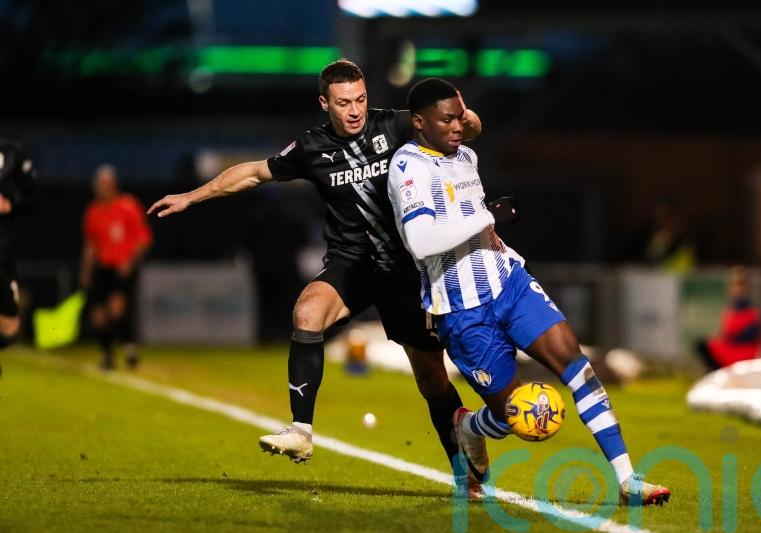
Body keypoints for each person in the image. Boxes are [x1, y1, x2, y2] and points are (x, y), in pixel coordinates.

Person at [148, 59, 491, 498]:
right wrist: (191, 197)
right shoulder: (312, 147)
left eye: (361, 99)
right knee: (307, 313)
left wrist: (465, 118)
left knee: (432, 381)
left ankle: (468, 473)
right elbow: (253, 172)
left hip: (405, 270)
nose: (355, 110)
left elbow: (458, 127)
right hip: (352, 264)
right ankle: (301, 430)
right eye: (344, 103)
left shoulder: (396, 125)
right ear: (325, 103)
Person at [387, 78, 671, 506]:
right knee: (513, 418)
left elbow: (470, 131)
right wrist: (487, 216)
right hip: (462, 310)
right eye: (446, 120)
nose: (457, 127)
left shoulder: (465, 155)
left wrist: (465, 124)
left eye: (460, 118)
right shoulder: (408, 168)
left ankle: (628, 480)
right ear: (419, 122)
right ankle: (468, 427)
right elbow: (421, 241)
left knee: (578, 367)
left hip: (509, 283)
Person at [81, 164, 152, 370]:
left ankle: (129, 346)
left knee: (116, 309)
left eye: (105, 184)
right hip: (102, 267)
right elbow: (91, 244)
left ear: (114, 185)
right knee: (98, 316)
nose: (101, 188)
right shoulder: (93, 211)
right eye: (99, 184)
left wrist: (130, 261)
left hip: (122, 267)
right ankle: (107, 355)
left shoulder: (128, 206)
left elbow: (143, 239)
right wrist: (86, 270)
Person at [0, 138, 38, 377]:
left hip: (4, 255)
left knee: (10, 328)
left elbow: (34, 198)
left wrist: (11, 202)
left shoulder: (11, 153)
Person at [695, 266, 761, 370]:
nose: (737, 289)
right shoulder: (732, 308)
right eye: (734, 285)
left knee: (703, 346)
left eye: (740, 284)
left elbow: (749, 337)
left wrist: (729, 338)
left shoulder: (749, 309)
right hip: (731, 348)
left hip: (742, 352)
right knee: (702, 345)